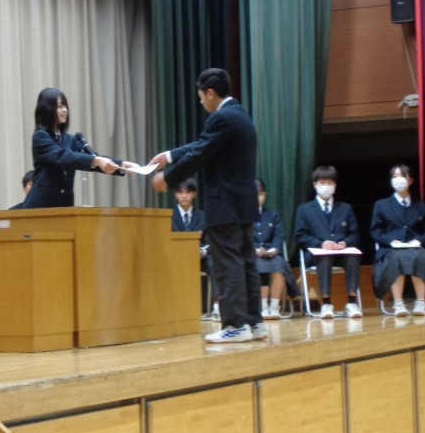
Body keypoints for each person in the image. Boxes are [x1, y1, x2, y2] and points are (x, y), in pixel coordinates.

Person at [148, 68, 267, 343]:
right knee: (246, 263)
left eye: (201, 96)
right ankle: (254, 323)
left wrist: (167, 178)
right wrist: (169, 155)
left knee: (228, 265)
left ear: (211, 93)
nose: (201, 101)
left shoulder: (221, 118)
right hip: (243, 204)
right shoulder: (239, 115)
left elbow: (200, 153)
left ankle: (235, 326)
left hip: (225, 204)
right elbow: (205, 144)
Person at [22, 87, 137, 209]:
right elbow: (63, 156)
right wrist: (96, 160)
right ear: (47, 109)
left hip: (64, 205)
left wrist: (122, 165)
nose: (65, 110)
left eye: (65, 106)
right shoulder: (40, 137)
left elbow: (90, 157)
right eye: (59, 106)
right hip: (41, 206)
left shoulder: (69, 140)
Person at [294, 165, 362, 319]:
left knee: (353, 258)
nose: (326, 186)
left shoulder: (346, 208)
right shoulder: (304, 209)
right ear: (315, 184)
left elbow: (355, 234)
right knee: (324, 258)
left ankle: (352, 303)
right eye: (322, 183)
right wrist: (321, 244)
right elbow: (300, 236)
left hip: (341, 253)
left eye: (330, 183)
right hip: (317, 254)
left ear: (335, 185)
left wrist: (345, 243)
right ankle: (326, 304)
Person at [370, 164, 425, 316]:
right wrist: (391, 241)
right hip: (391, 249)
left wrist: (419, 241)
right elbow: (376, 232)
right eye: (394, 176)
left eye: (402, 176)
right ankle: (398, 303)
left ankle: (421, 302)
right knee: (397, 258)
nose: (398, 180)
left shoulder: (421, 206)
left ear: (411, 180)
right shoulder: (381, 205)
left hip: (415, 247)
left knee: (420, 257)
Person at [253, 179, 300, 319]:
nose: (257, 198)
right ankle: (263, 307)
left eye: (260, 194)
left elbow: (279, 235)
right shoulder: (242, 217)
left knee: (280, 265)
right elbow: (241, 238)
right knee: (260, 266)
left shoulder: (273, 215)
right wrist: (254, 250)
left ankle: (274, 306)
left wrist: (274, 249)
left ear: (265, 195)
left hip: (271, 254)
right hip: (252, 254)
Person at [171, 178, 216, 319]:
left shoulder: (203, 216)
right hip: (176, 258)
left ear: (194, 194)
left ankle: (216, 307)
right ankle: (173, 309)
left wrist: (203, 251)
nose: (184, 196)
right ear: (175, 194)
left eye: (188, 192)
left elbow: (211, 241)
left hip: (200, 258)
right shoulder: (168, 216)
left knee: (216, 264)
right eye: (180, 192)